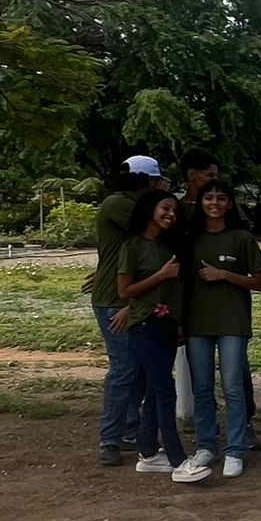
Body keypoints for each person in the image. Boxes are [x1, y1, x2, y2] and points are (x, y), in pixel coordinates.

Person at [115, 189, 212, 484]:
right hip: (144, 325)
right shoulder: (132, 246)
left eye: (174, 211)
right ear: (149, 209)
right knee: (165, 390)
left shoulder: (169, 247)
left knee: (156, 391)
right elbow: (124, 291)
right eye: (165, 209)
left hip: (168, 324)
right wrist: (161, 275)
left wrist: (179, 322)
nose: (170, 215)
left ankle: (148, 453)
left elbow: (175, 289)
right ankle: (179, 460)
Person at [183, 180, 261, 478]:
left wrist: (224, 275)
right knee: (202, 388)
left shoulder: (241, 238)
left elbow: (260, 283)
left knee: (233, 387)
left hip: (233, 322)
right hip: (197, 323)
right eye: (209, 197)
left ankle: (235, 449)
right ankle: (206, 445)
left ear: (230, 204)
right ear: (201, 202)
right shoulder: (190, 239)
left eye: (221, 198)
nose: (215, 202)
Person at [87, 157, 160, 467]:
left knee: (137, 368)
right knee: (125, 368)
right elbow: (158, 228)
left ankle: (130, 429)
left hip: (129, 295)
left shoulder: (121, 202)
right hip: (116, 299)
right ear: (149, 181)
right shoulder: (121, 205)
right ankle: (110, 437)